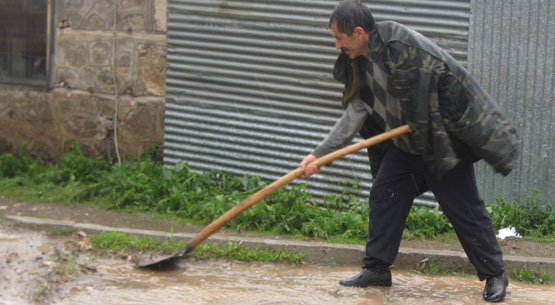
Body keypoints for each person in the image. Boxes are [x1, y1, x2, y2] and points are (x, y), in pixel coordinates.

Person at [300, 1, 519, 303]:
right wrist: (319, 154)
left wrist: (424, 118)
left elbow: (447, 79)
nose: (337, 45)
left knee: (465, 210)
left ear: (359, 32)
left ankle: (495, 274)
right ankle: (377, 269)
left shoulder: (401, 45)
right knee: (384, 196)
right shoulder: (358, 64)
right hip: (405, 150)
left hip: (441, 146)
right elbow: (353, 115)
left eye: (339, 37)